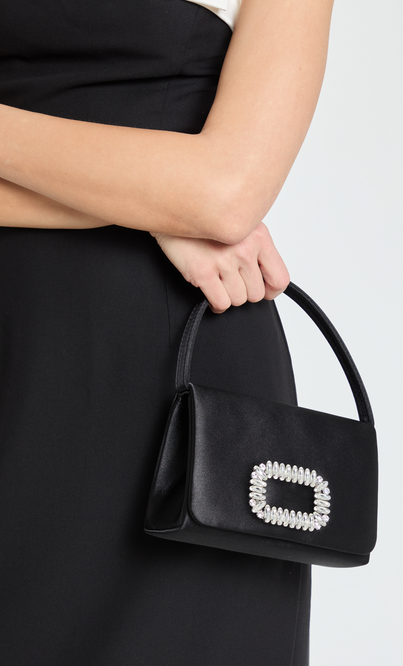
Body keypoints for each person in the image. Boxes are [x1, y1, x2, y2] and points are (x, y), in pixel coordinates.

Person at [0, 0, 334, 664]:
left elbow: (225, 192)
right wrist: (155, 206)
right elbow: (201, 200)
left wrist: (182, 204)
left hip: (174, 392)